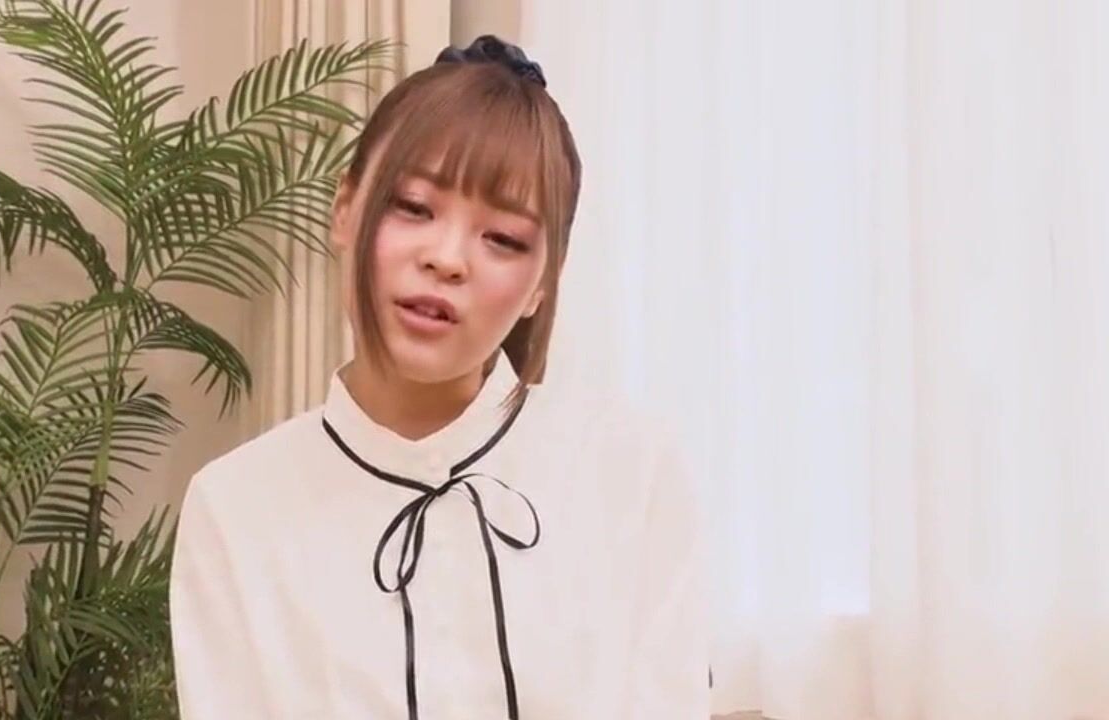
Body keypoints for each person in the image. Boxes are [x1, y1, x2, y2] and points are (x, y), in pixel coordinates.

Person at [169, 34, 709, 720]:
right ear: (345, 209)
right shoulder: (236, 509)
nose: (448, 259)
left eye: (503, 239)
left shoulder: (632, 472)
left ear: (543, 285)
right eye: (414, 207)